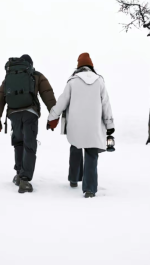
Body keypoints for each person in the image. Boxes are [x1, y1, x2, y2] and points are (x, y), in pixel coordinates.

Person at [47, 52, 115, 198]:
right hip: (94, 127)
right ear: (91, 66)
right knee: (91, 153)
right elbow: (106, 104)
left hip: (75, 126)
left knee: (75, 147)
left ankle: (74, 178)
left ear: (78, 66)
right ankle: (89, 189)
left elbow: (62, 102)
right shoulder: (99, 81)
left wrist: (52, 118)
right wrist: (110, 125)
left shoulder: (72, 81)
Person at [0, 54, 57, 194]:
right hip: (30, 113)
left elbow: (0, 96)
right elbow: (48, 94)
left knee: (18, 143)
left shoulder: (10, 76)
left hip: (13, 114)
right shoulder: (36, 75)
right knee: (29, 144)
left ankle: (18, 174)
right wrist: (54, 116)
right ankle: (24, 179)